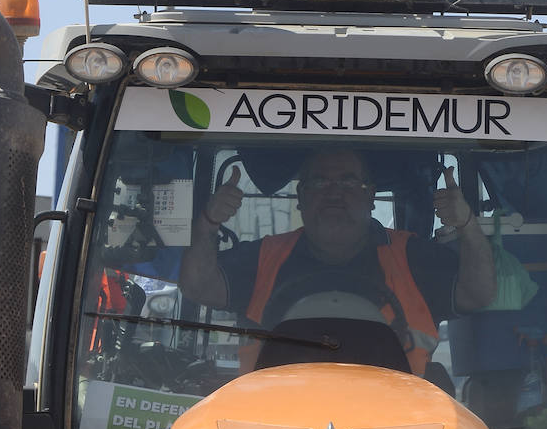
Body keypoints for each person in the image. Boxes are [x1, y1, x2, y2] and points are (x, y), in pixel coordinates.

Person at [179, 148, 496, 375]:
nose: (334, 193)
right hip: (272, 423)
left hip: (399, 426)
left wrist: (467, 224)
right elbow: (197, 287)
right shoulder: (264, 257)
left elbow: (478, 294)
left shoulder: (414, 257)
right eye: (319, 182)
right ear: (301, 197)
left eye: (348, 182)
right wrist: (209, 222)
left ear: (371, 195)